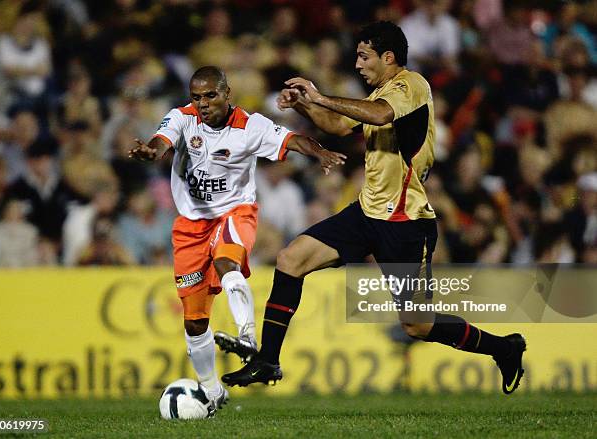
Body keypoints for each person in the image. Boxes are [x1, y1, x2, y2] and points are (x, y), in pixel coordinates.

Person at [222, 22, 526, 395]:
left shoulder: (411, 86)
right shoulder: (379, 94)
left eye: (363, 56)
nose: (357, 64)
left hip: (405, 222)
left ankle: (504, 348)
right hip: (367, 213)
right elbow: (336, 125)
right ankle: (268, 360)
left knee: (418, 325)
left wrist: (319, 96)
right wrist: (304, 103)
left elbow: (381, 115)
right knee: (290, 260)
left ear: (388, 57)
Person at [129, 66, 345, 414]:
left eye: (210, 96)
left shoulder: (251, 125)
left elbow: (292, 140)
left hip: (235, 213)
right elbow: (161, 143)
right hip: (190, 226)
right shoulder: (182, 119)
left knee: (227, 262)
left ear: (227, 94)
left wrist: (319, 152)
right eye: (197, 97)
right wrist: (151, 152)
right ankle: (212, 392)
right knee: (194, 320)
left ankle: (247, 337)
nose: (202, 103)